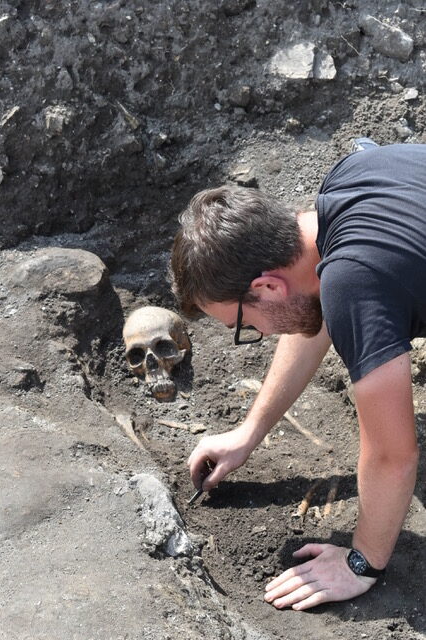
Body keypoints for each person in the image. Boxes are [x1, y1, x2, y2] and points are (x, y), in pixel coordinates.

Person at [169, 142, 424, 611]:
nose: (259, 334)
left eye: (245, 324)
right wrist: (251, 431)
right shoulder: (352, 176)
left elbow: (393, 454)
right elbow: (317, 307)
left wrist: (362, 561)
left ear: (267, 285)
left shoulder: (354, 280)